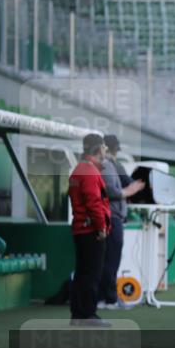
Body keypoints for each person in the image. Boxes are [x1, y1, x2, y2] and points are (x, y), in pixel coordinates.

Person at [68, 133, 111, 326]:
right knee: (91, 275)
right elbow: (94, 203)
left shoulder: (79, 169)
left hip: (81, 229)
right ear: (98, 149)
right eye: (104, 147)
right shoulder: (90, 171)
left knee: (82, 274)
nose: (105, 150)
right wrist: (101, 227)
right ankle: (88, 315)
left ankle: (78, 315)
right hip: (91, 231)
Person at [98, 134, 145, 308]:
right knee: (111, 259)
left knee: (108, 259)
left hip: (111, 216)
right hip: (111, 216)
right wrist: (130, 190)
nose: (116, 153)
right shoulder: (107, 165)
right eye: (114, 150)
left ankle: (104, 298)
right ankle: (109, 299)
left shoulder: (110, 165)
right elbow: (112, 190)